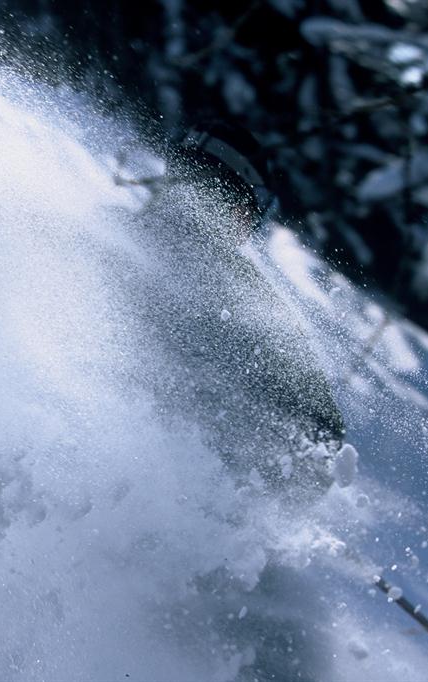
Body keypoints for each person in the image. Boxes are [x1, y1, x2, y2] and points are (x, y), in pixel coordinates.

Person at [119, 121, 345, 489]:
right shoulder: (243, 292)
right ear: (240, 206)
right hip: (183, 493)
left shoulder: (107, 230)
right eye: (255, 212)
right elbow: (324, 436)